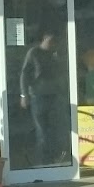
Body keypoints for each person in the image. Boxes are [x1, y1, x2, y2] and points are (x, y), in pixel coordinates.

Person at [20, 29, 60, 167]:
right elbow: (25, 74)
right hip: (38, 95)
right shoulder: (34, 53)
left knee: (52, 129)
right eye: (50, 41)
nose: (52, 44)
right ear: (44, 38)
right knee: (41, 130)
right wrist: (24, 94)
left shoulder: (53, 54)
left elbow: (59, 73)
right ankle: (42, 161)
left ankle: (51, 158)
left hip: (53, 95)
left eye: (54, 42)